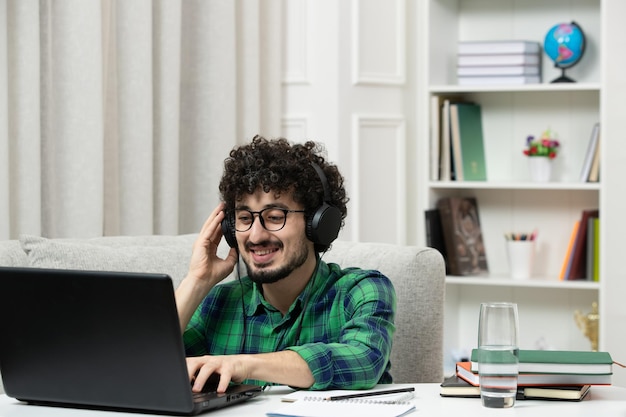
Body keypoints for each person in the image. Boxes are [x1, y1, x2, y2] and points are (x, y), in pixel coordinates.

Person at [175, 135, 396, 394]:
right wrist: (196, 280)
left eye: (275, 216)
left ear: (318, 224)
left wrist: (241, 365)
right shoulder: (217, 303)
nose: (256, 236)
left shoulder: (362, 290)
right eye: (245, 218)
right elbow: (143, 363)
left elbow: (365, 360)